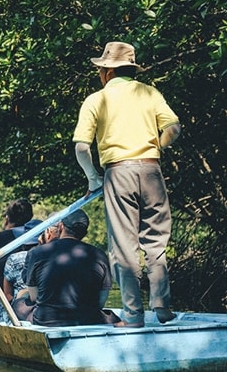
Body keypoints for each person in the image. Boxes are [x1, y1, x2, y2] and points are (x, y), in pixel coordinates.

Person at [73, 41, 182, 327]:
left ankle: (134, 316)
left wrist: (94, 179)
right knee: (156, 243)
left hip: (118, 172)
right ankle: (162, 308)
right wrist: (153, 148)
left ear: (107, 72)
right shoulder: (150, 92)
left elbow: (82, 148)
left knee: (124, 245)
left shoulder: (96, 100)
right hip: (151, 170)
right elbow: (173, 128)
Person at [21, 209, 111, 327]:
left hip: (47, 320)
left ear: (61, 226)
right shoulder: (99, 255)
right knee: (110, 315)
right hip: (89, 319)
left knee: (19, 303)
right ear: (85, 232)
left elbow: (34, 297)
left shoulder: (37, 252)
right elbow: (100, 302)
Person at [0, 218, 45, 324]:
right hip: (38, 305)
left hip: (20, 307)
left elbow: (8, 296)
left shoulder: (14, 258)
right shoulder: (48, 256)